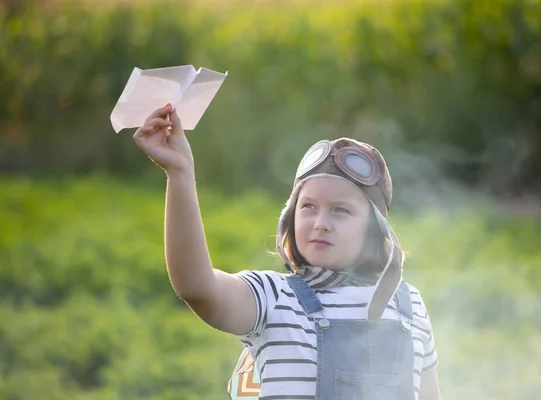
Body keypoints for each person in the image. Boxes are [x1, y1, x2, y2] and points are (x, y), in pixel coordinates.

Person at [133, 104, 441, 400]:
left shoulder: (408, 305)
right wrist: (180, 173)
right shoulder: (275, 298)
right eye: (308, 206)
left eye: (340, 210)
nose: (321, 223)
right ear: (290, 215)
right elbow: (196, 286)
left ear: (376, 229)